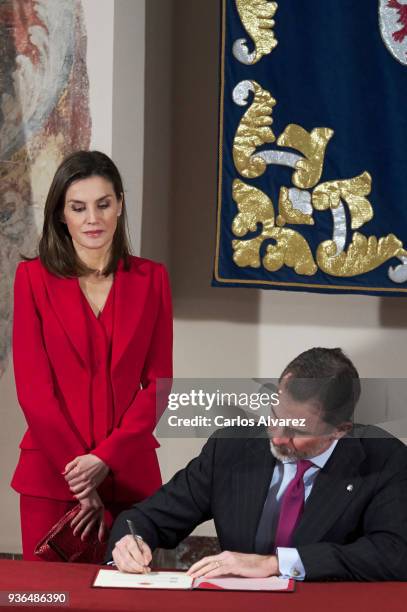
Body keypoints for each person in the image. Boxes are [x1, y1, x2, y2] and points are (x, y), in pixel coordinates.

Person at [106, 348, 407, 581]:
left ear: (341, 429)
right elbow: (147, 517)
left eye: (297, 431)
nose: (276, 438)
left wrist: (279, 564)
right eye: (276, 416)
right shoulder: (231, 446)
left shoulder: (384, 459)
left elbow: (395, 554)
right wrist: (131, 541)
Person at [11, 150, 173, 561]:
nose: (92, 219)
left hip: (130, 478)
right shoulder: (32, 279)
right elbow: (33, 390)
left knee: (127, 598)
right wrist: (81, 476)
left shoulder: (152, 279)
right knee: (44, 600)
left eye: (103, 204)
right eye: (78, 208)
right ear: (61, 215)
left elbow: (158, 384)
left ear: (119, 204)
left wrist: (105, 458)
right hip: (52, 479)